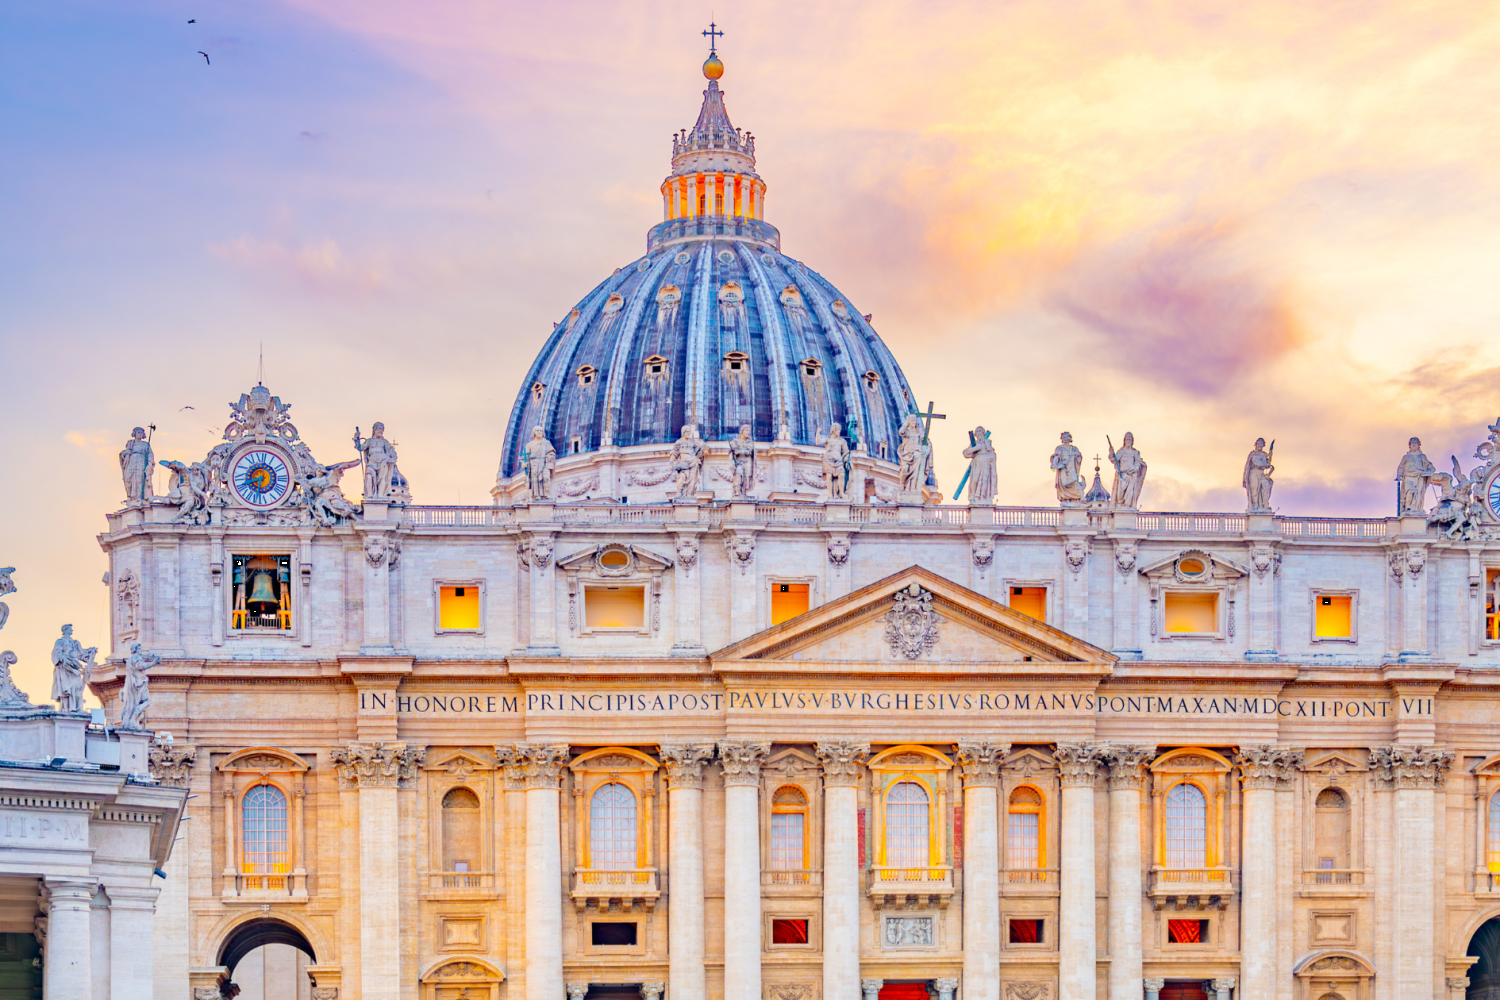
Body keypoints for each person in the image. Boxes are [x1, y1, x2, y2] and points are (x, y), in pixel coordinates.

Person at [50, 624, 94, 715]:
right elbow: (57, 653)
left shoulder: (75, 643)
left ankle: (78, 708)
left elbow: (81, 654)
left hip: (75, 667)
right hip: (65, 668)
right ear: (65, 630)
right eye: (70, 629)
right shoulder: (60, 642)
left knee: (78, 687)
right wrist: (65, 660)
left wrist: (90, 651)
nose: (72, 630)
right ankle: (66, 709)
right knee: (67, 690)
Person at [120, 643, 160, 730]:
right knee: (146, 701)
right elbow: (140, 666)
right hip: (138, 684)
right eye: (139, 648)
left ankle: (132, 719)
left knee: (137, 702)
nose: (140, 650)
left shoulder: (131, 659)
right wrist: (153, 663)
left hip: (135, 684)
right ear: (136, 650)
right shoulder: (136, 657)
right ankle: (132, 719)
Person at [1396, 436, 1437, 514]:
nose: (1414, 445)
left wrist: (1431, 470)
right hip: (1408, 476)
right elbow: (1401, 466)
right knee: (1410, 491)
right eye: (1412, 443)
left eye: (1416, 443)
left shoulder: (1422, 456)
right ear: (1410, 445)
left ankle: (1415, 509)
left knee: (1417, 493)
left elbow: (1430, 465)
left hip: (1419, 476)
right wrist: (1399, 475)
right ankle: (1408, 507)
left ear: (1418, 445)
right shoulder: (1406, 457)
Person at [361, 422, 400, 499]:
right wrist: (357, 441)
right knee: (369, 476)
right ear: (374, 430)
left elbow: (391, 451)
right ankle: (370, 495)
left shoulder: (384, 442)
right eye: (379, 429)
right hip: (371, 462)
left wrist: (392, 459)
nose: (381, 431)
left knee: (382, 478)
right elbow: (361, 448)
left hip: (383, 462)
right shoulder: (369, 441)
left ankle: (380, 495)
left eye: (382, 430)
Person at [1108, 432, 1147, 508]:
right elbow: (1114, 460)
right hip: (1122, 475)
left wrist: (1135, 468)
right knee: (1120, 492)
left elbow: (1138, 462)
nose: (1128, 441)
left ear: (1132, 441)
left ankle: (1127, 506)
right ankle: (1120, 505)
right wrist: (1111, 453)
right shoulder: (1121, 452)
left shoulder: (1135, 452)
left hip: (1132, 476)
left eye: (1130, 440)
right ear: (1124, 441)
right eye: (1127, 439)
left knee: (1130, 493)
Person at [962, 426, 997, 504]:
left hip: (986, 463)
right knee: (975, 479)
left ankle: (982, 496)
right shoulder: (975, 444)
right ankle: (973, 495)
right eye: (977, 432)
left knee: (985, 480)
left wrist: (991, 456)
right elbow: (966, 453)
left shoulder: (987, 443)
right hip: (977, 463)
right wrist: (976, 448)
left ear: (984, 434)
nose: (979, 433)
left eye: (981, 432)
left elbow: (992, 453)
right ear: (976, 435)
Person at [120, 427, 154, 504]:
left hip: (141, 461)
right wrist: (125, 453)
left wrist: (149, 464)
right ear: (134, 433)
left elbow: (150, 455)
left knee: (139, 479)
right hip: (131, 461)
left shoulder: (146, 444)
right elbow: (123, 454)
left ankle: (138, 498)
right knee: (127, 478)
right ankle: (129, 495)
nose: (139, 434)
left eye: (141, 432)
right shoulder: (130, 443)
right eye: (138, 432)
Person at [1050, 431, 1084, 503]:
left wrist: (1078, 457)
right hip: (1063, 467)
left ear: (1069, 438)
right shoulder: (1059, 448)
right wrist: (1054, 464)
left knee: (1074, 480)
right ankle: (1066, 498)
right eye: (1063, 437)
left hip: (1072, 467)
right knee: (1064, 483)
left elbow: (1079, 458)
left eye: (1066, 437)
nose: (1064, 439)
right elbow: (1056, 457)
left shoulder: (1074, 449)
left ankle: (1079, 496)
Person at [524, 427, 556, 500]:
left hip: (544, 464)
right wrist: (525, 463)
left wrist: (549, 457)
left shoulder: (546, 443)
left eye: (541, 431)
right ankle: (536, 495)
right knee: (535, 480)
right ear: (534, 433)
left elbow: (551, 452)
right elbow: (526, 457)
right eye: (537, 431)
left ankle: (546, 493)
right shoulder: (529, 445)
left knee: (546, 477)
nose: (539, 432)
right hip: (534, 465)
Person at [1243, 438, 1275, 512]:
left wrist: (1269, 458)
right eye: (1259, 444)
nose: (1260, 445)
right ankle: (1255, 506)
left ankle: (1263, 505)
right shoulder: (1253, 454)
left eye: (1262, 444)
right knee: (1255, 490)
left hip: (1261, 474)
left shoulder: (1264, 454)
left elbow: (1267, 463)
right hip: (1254, 473)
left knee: (1264, 488)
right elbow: (1257, 463)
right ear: (1256, 444)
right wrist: (1267, 465)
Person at [823, 424, 851, 499]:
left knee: (841, 474)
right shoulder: (828, 439)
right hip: (829, 460)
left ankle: (841, 493)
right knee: (829, 476)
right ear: (833, 430)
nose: (839, 431)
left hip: (839, 460)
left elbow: (846, 452)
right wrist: (818, 433)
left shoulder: (842, 441)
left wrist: (846, 461)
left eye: (839, 430)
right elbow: (818, 442)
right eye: (838, 430)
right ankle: (830, 494)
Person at [728, 424, 756, 497]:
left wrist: (739, 451)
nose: (748, 432)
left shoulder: (750, 442)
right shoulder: (735, 441)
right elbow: (734, 452)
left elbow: (749, 452)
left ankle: (744, 493)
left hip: (747, 462)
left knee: (746, 478)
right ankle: (737, 491)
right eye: (746, 430)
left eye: (749, 431)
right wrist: (738, 451)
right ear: (742, 431)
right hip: (738, 462)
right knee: (738, 474)